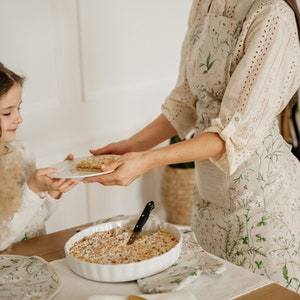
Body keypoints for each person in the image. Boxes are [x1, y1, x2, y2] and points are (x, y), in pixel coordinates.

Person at [84, 0, 300, 293]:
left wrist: (147, 160)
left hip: (263, 210)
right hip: (208, 205)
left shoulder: (273, 16)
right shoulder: (204, 4)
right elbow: (185, 101)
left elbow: (230, 134)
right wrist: (131, 146)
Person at [0, 62, 78, 251]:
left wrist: (52, 189)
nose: (19, 118)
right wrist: (33, 188)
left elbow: (35, 219)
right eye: (8, 112)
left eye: (19, 108)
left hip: (37, 260)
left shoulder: (23, 153)